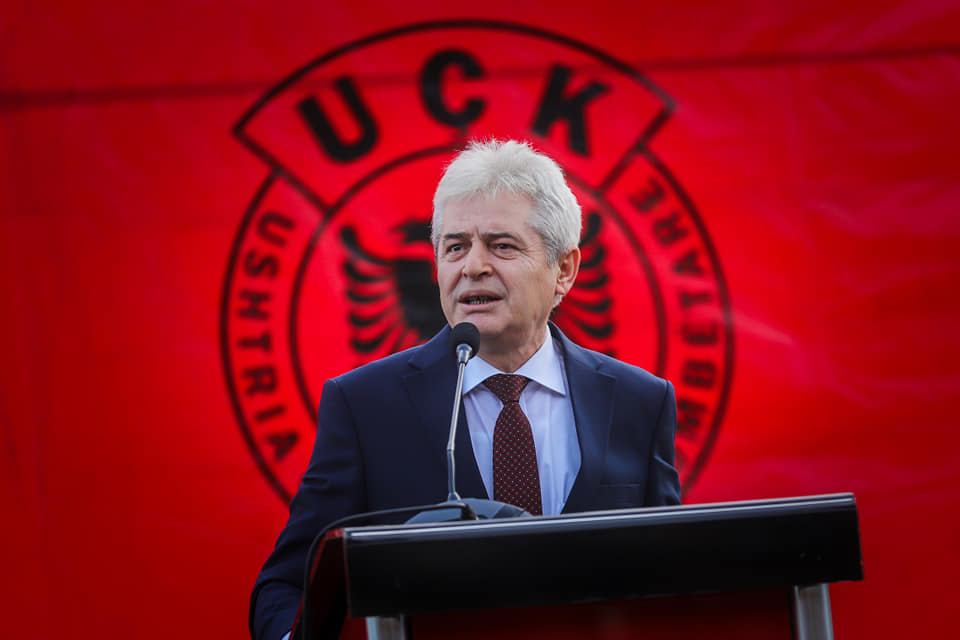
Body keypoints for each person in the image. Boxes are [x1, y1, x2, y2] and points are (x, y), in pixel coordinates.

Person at [250, 139, 681, 640]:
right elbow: (287, 587)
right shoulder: (364, 406)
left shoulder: (639, 402)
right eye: (455, 247)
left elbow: (673, 577)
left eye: (502, 246)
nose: (472, 266)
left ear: (564, 269)